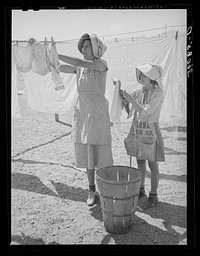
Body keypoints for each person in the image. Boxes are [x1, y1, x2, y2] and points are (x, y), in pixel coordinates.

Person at [51, 33, 113, 206]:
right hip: (83, 110)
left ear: (95, 48)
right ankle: (91, 190)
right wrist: (50, 61)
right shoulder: (80, 67)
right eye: (83, 46)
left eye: (87, 46)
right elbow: (62, 67)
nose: (83, 49)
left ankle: (104, 189)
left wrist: (57, 55)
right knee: (88, 151)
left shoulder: (101, 64)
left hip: (97, 110)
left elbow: (78, 62)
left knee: (99, 150)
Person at [123, 63, 165, 208]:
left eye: (144, 74)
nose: (141, 76)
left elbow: (145, 112)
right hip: (138, 130)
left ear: (153, 78)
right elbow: (129, 104)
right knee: (140, 161)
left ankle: (154, 195)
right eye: (140, 73)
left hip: (150, 131)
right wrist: (122, 95)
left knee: (152, 164)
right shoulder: (140, 91)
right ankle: (141, 189)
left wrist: (131, 100)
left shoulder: (158, 94)